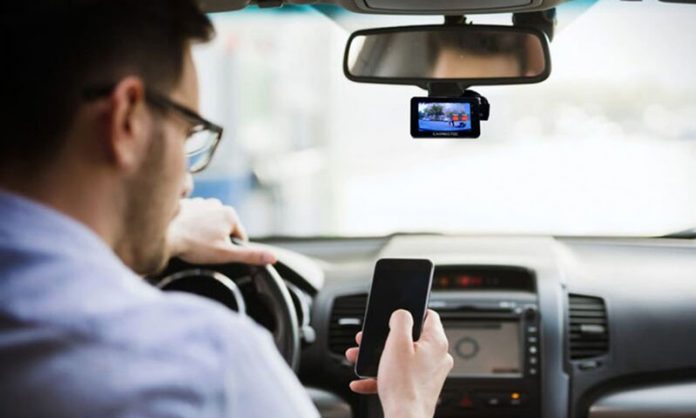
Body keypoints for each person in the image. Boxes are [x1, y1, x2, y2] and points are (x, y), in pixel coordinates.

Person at [0, 1, 453, 418]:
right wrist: (409, 401)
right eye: (188, 135)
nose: (187, 182)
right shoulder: (209, 367)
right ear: (126, 122)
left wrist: (168, 234)